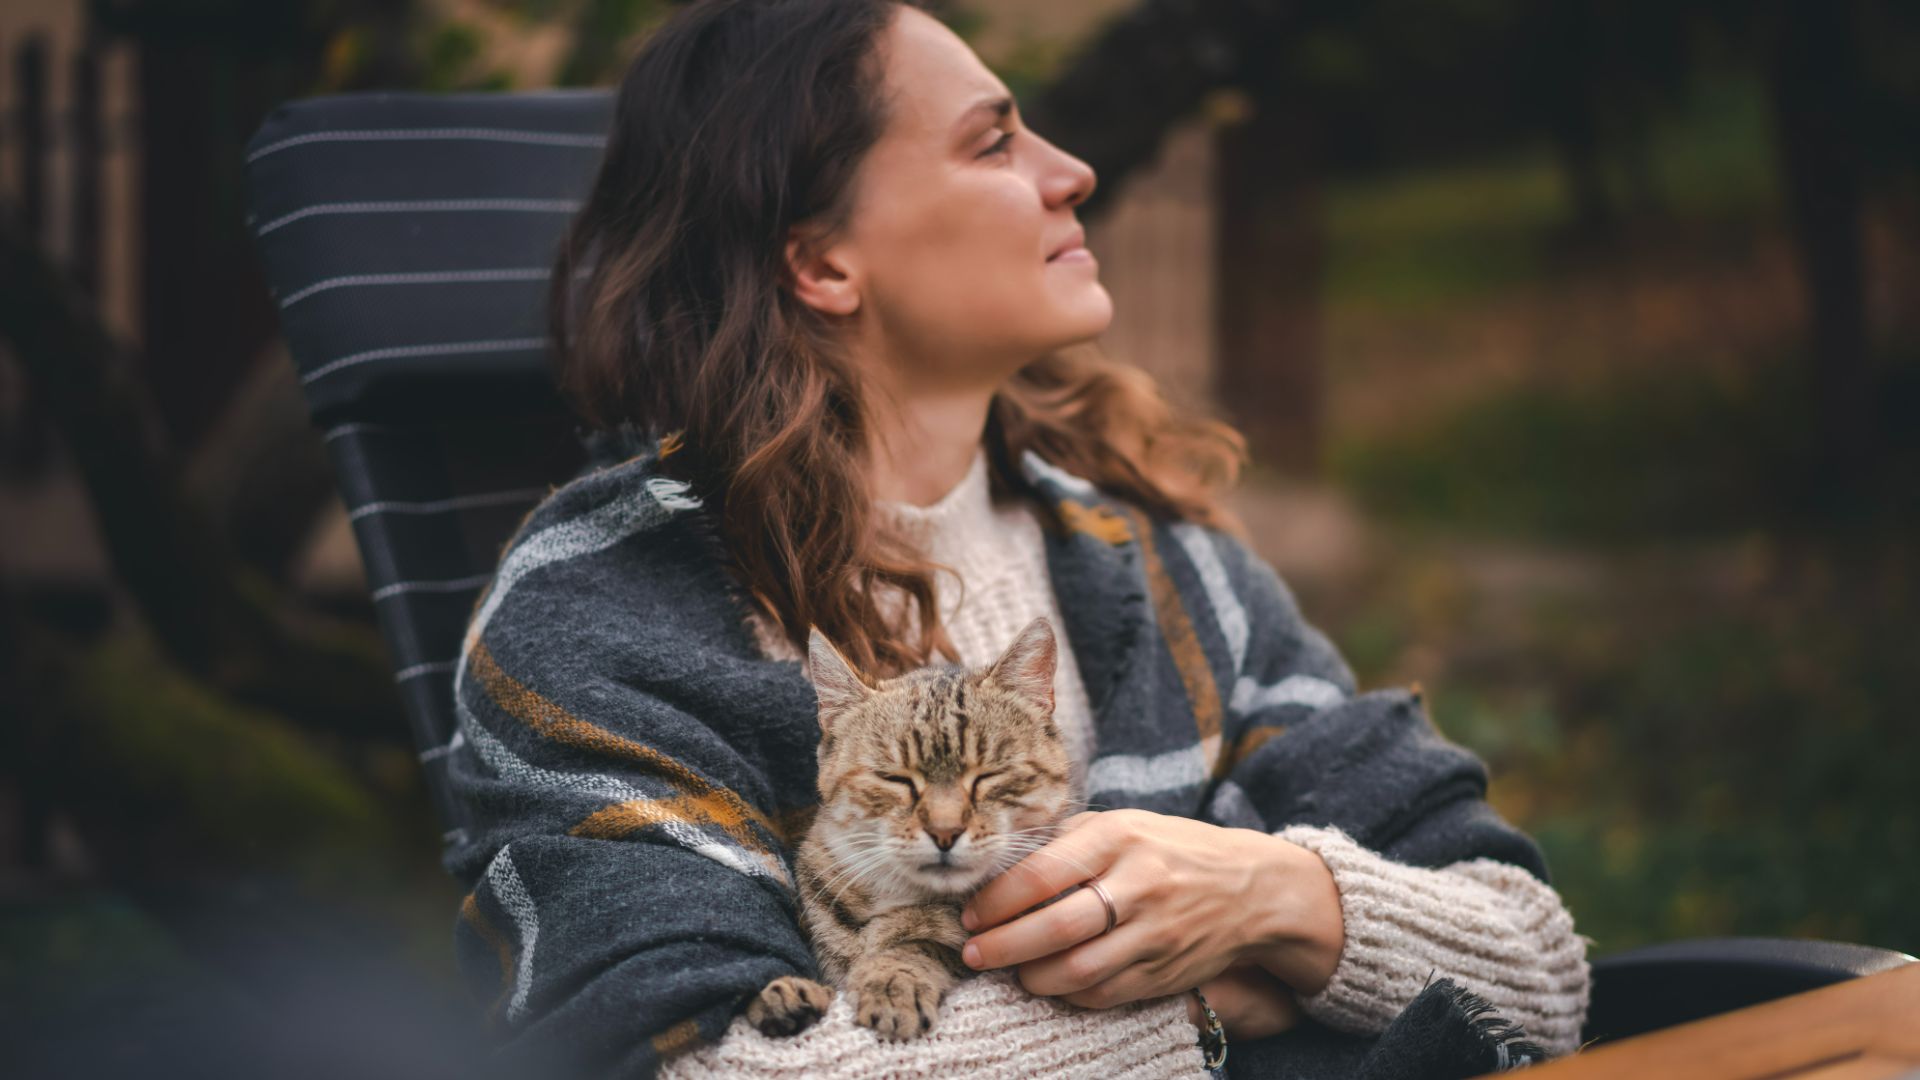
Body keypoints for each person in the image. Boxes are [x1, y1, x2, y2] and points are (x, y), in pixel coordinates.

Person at [443, 1, 1593, 1077]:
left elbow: (1536, 965)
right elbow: (697, 1064)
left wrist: (1278, 899)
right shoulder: (597, 614)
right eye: (993, 144)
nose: (1074, 172)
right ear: (822, 262)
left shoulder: (1159, 566)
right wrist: (1208, 1008)